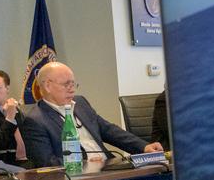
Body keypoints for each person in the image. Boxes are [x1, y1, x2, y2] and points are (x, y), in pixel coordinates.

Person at [21, 62, 163, 168]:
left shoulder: (80, 103)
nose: (72, 90)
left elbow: (108, 129)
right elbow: (47, 163)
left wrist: (143, 147)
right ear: (47, 86)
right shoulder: (34, 120)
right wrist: (85, 164)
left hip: (110, 167)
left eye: (73, 84)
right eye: (66, 85)